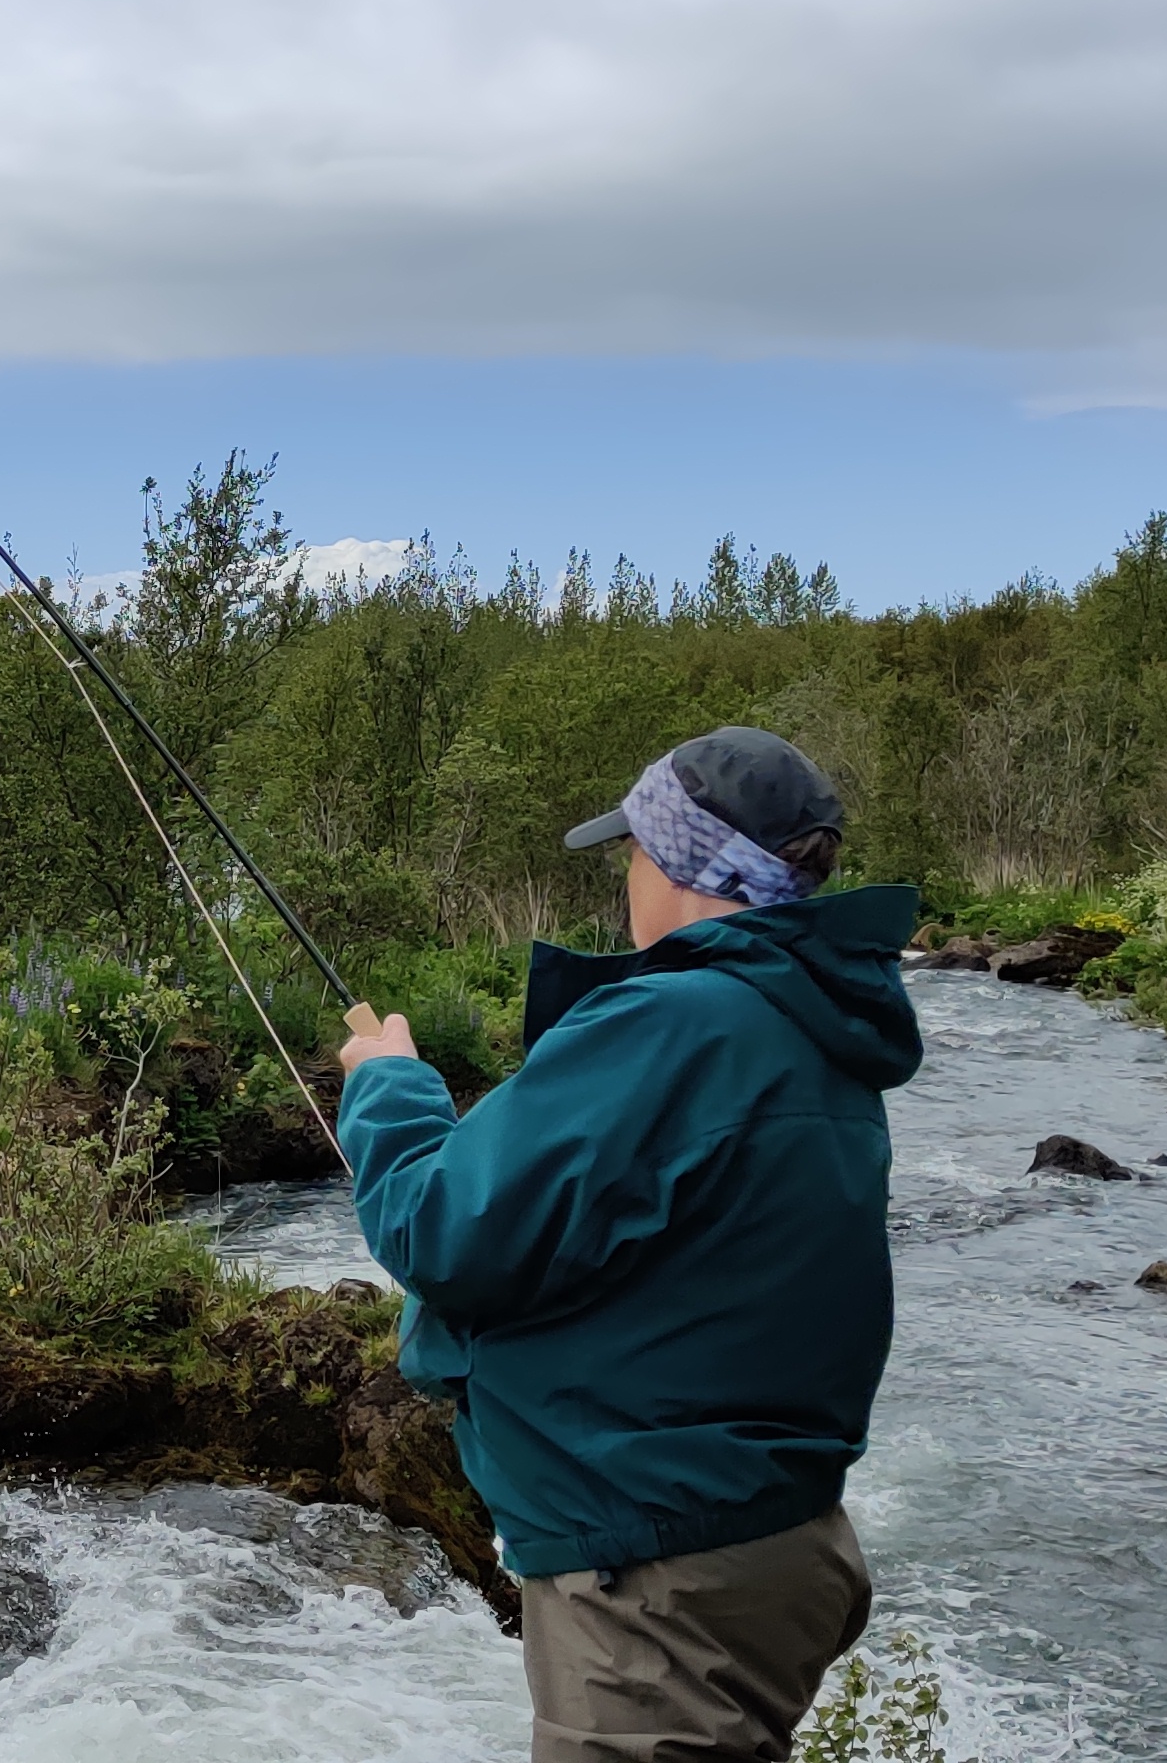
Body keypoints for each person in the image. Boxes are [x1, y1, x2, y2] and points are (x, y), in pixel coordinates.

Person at [335, 725, 921, 1763]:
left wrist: (387, 1085)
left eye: (634, 851)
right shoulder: (812, 1030)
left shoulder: (677, 1022)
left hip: (659, 1579)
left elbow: (441, 1231)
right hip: (766, 1542)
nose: (626, 877)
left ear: (684, 864)